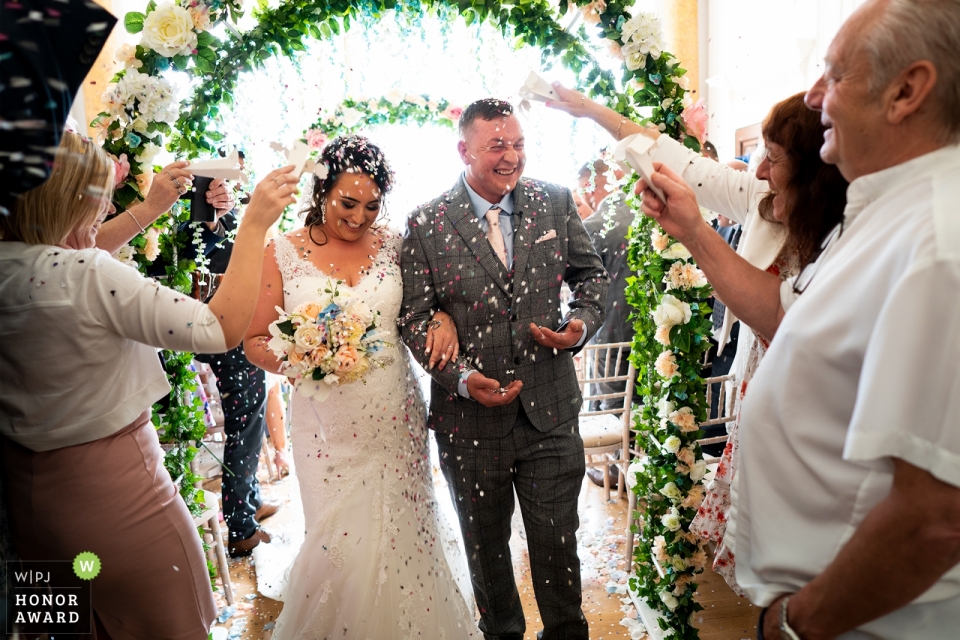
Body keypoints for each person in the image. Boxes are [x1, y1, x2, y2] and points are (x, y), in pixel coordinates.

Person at [547, 88, 848, 593]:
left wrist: (692, 231)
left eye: (772, 160)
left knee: (807, 567)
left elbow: (779, 317)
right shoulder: (763, 199)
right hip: (762, 388)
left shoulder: (845, 236)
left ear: (818, 171)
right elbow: (678, 160)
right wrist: (591, 110)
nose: (756, 172)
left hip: (812, 409)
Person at [0, 131, 298, 639]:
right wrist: (252, 227)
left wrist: (154, 206)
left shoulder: (14, 262)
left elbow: (67, 260)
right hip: (120, 507)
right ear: (70, 200)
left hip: (32, 511)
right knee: (172, 628)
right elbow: (217, 329)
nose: (109, 206)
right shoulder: (85, 275)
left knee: (66, 628)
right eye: (101, 195)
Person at [243, 135, 477, 639]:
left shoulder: (396, 244)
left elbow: (426, 304)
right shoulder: (280, 252)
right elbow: (254, 340)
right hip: (324, 425)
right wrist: (302, 355)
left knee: (402, 528)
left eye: (371, 206)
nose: (359, 217)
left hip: (395, 412)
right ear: (321, 191)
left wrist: (442, 317)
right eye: (347, 204)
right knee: (339, 537)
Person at [399, 98, 608, 640]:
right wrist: (463, 380)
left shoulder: (556, 202)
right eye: (498, 145)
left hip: (550, 412)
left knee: (558, 545)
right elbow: (414, 318)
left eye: (518, 143)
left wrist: (578, 325)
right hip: (469, 426)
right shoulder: (425, 222)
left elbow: (592, 278)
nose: (511, 156)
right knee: (486, 554)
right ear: (464, 149)